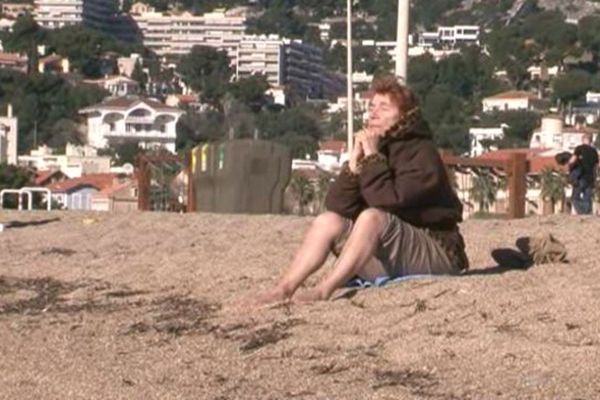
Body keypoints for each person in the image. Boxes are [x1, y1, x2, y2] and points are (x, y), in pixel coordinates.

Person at [253, 75, 469, 305]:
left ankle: (325, 289)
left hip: (437, 250)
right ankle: (285, 288)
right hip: (392, 253)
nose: (374, 113)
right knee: (328, 220)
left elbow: (387, 203)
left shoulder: (421, 153)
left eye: (384, 108)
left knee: (372, 218)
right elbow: (337, 205)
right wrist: (355, 166)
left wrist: (374, 158)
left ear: (405, 115)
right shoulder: (377, 148)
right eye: (371, 107)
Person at [569, 133, 599, 215]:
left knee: (575, 197)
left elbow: (572, 160)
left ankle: (581, 212)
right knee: (587, 198)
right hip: (590, 178)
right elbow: (596, 166)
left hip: (580, 176)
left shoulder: (579, 149)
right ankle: (586, 213)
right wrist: (595, 177)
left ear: (583, 139)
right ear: (591, 140)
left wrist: (570, 167)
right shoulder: (594, 151)